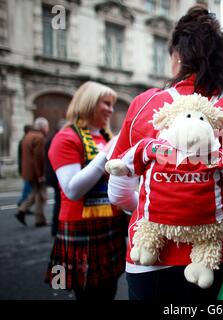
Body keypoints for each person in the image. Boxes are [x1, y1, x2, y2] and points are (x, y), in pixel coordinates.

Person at [108, 5, 223, 300]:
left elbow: (119, 192)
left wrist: (163, 206)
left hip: (151, 258)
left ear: (178, 56)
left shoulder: (146, 105)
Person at [45, 81, 126, 300]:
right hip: (83, 228)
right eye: (106, 103)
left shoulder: (104, 136)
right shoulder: (66, 138)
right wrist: (107, 154)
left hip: (110, 224)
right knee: (89, 294)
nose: (111, 109)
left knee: (108, 289)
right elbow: (72, 190)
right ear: (88, 102)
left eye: (112, 104)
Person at [15, 118, 49, 227]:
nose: (47, 129)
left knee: (35, 193)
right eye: (46, 127)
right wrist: (41, 175)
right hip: (36, 173)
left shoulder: (28, 136)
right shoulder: (39, 137)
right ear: (42, 127)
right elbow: (39, 158)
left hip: (29, 172)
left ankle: (22, 210)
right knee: (41, 196)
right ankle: (40, 220)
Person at [45, 119, 66, 237]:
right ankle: (55, 227)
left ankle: (55, 227)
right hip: (56, 176)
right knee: (58, 202)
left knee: (58, 201)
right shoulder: (57, 140)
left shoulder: (51, 140)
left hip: (54, 175)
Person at [17, 124, 33, 208]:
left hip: (24, 167)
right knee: (27, 187)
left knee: (28, 187)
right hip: (26, 168)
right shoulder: (25, 141)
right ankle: (22, 201)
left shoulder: (24, 140)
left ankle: (25, 204)